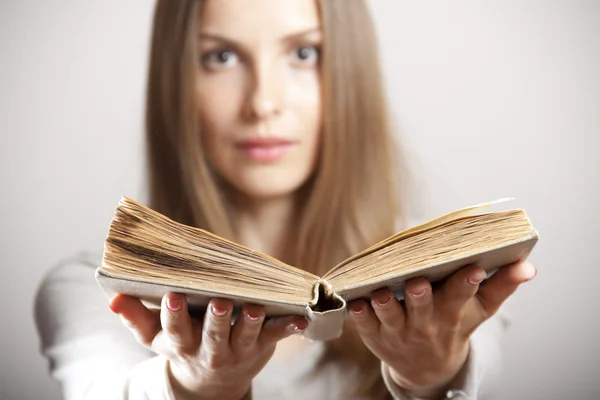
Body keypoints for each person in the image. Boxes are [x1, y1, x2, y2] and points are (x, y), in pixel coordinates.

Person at [34, 1, 538, 399]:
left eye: (303, 53)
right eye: (221, 56)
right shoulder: (91, 291)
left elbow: (478, 379)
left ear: (350, 74)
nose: (263, 102)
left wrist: (434, 376)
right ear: (177, 82)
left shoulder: (446, 279)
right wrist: (196, 387)